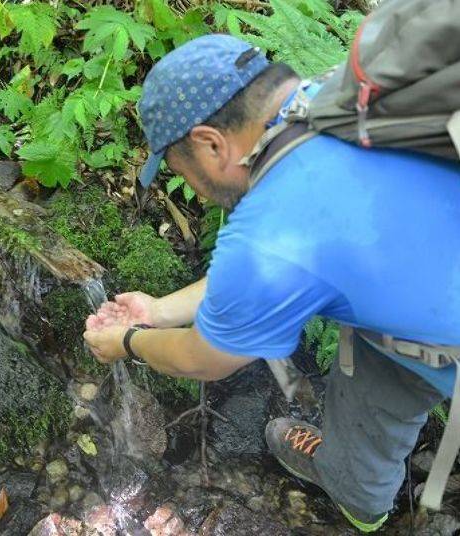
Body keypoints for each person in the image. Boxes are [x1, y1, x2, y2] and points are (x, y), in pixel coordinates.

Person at [82, 34, 460, 533]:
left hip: (429, 340)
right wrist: (160, 309)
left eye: (181, 171)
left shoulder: (270, 228)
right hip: (424, 293)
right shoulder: (349, 90)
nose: (194, 189)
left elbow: (205, 357)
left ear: (210, 143)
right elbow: (278, 270)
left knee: (372, 400)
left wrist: (127, 341)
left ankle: (358, 503)